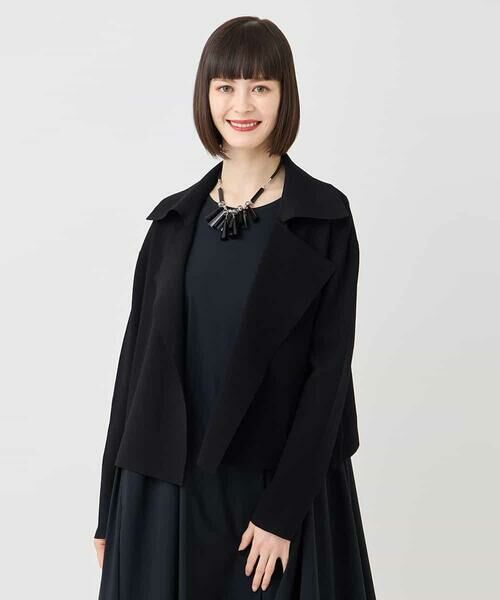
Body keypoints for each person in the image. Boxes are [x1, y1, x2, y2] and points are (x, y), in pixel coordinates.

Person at [93, 15, 376, 600]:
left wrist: (282, 512)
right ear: (206, 94)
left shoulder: (324, 219)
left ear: (284, 95)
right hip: (164, 489)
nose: (241, 104)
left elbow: (328, 377)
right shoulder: (171, 224)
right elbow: (135, 370)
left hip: (274, 493)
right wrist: (108, 507)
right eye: (225, 86)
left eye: (260, 87)